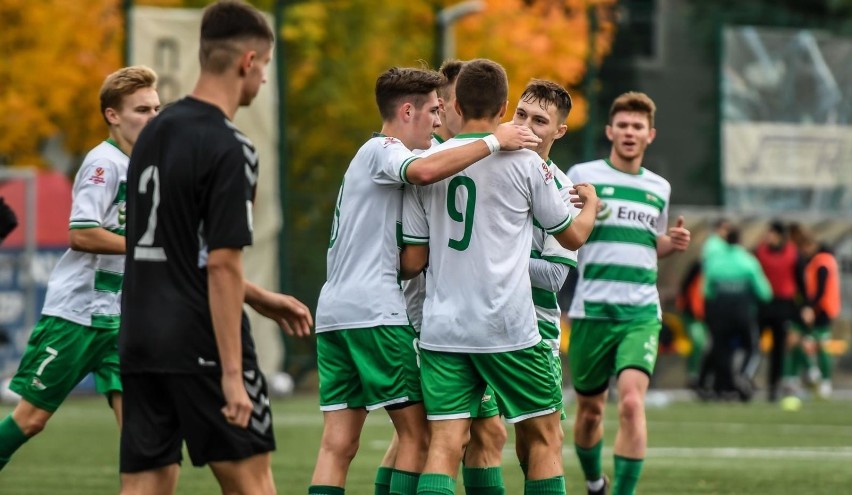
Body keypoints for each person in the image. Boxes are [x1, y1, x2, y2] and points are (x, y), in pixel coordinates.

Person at [310, 64, 541, 495]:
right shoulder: (385, 150)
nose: (439, 122)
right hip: (375, 313)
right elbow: (425, 174)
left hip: (335, 314)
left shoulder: (373, 154)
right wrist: (494, 141)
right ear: (406, 111)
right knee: (422, 437)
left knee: (338, 444)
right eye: (433, 112)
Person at [119, 3, 313, 494]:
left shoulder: (151, 132)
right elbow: (221, 264)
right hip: (200, 341)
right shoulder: (231, 147)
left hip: (140, 335)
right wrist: (232, 374)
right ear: (248, 61)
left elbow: (176, 252)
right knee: (252, 482)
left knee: (146, 484)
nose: (264, 79)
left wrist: (258, 296)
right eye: (265, 67)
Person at [400, 58, 599, 495]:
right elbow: (570, 238)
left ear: (453, 103)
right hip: (506, 327)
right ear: (505, 106)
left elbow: (413, 259)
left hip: (443, 329)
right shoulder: (527, 165)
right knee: (545, 440)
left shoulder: (426, 164)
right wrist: (593, 207)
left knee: (445, 447)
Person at [0, 65, 160, 471]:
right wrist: (148, 248)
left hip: (121, 320)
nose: (153, 118)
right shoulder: (102, 164)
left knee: (141, 434)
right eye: (142, 110)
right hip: (76, 316)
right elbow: (82, 234)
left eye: (157, 109)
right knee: (31, 420)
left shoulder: (147, 164)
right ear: (113, 115)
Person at [566, 91, 691, 495]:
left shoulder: (659, 188)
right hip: (591, 312)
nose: (629, 132)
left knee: (633, 404)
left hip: (640, 313)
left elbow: (649, 241)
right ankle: (594, 482)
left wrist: (671, 242)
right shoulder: (583, 175)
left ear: (650, 135)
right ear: (609, 131)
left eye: (637, 126)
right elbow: (567, 231)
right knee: (589, 413)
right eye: (622, 125)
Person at [510, 78, 580, 480]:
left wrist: (494, 261)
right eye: (520, 114)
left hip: (534, 327)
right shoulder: (480, 164)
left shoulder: (563, 189)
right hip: (473, 324)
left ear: (559, 131)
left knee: (538, 437)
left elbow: (554, 276)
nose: (527, 126)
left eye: (540, 120)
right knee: (468, 439)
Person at [702, 225, 772, 401]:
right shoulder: (748, 261)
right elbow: (765, 293)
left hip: (719, 312)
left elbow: (706, 291)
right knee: (752, 347)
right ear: (740, 241)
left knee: (721, 349)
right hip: (742, 312)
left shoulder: (714, 262)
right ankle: (743, 375)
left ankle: (723, 388)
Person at [754, 220, 800, 401]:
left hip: (783, 306)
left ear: (779, 235)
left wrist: (803, 308)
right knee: (753, 345)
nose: (768, 237)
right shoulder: (759, 252)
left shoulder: (793, 254)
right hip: (763, 305)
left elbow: (800, 281)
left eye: (771, 233)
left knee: (778, 350)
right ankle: (745, 380)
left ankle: (774, 388)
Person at [798, 233, 841, 399]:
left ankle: (821, 378)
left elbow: (820, 290)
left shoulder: (821, 262)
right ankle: (818, 377)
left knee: (816, 343)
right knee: (814, 343)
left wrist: (810, 307)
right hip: (827, 308)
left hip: (822, 309)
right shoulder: (828, 260)